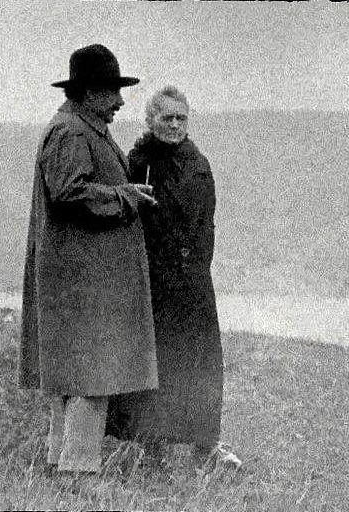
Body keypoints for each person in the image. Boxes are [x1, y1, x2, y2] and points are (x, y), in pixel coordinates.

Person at [19, 44, 159, 475]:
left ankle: (60, 465)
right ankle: (78, 472)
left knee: (78, 378)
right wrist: (125, 196)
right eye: (112, 91)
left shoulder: (79, 126)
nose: (120, 101)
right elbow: (69, 192)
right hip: (83, 282)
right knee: (90, 377)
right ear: (88, 92)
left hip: (80, 279)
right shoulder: (73, 132)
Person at [108, 86, 240, 467]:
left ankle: (204, 445)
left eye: (181, 117)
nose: (175, 125)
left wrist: (198, 269)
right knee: (156, 364)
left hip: (193, 282)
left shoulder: (199, 164)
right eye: (167, 118)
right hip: (153, 280)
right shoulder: (137, 163)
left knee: (200, 361)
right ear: (151, 121)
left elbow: (206, 225)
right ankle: (152, 449)